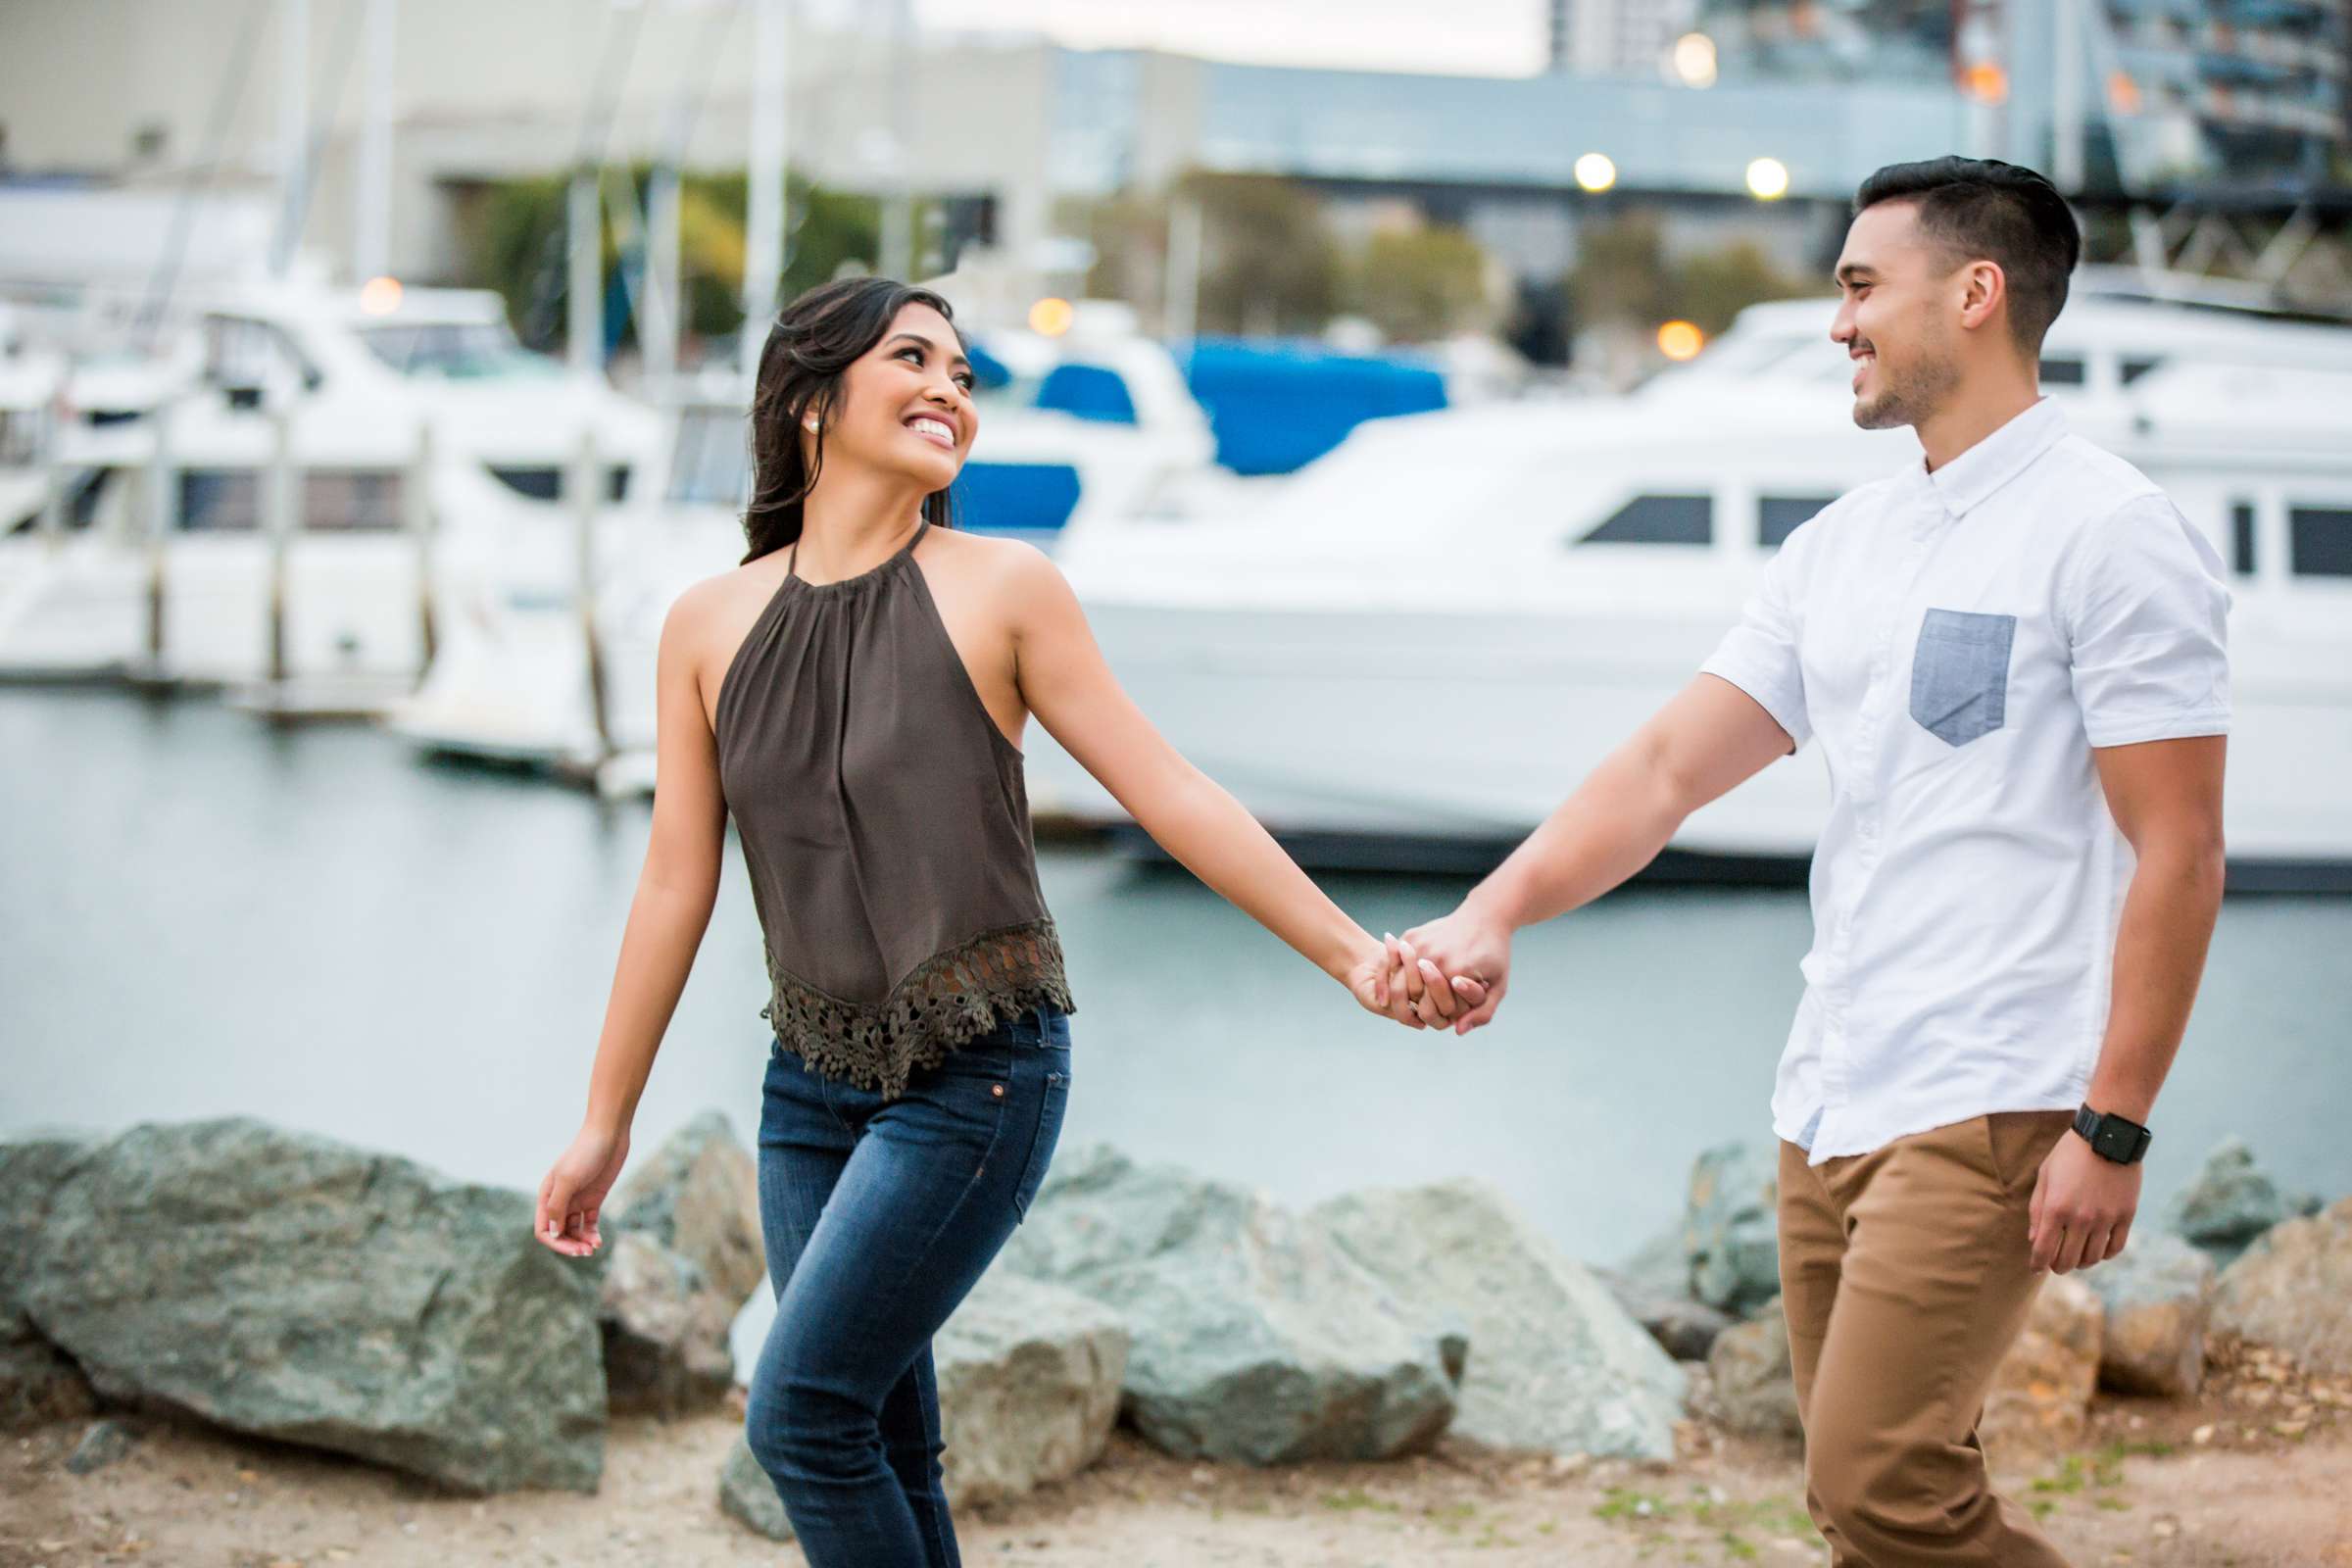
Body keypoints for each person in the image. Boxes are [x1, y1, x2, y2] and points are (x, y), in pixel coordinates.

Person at [530, 275, 1470, 1567]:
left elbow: (1171, 791)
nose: (951, 392)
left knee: (800, 1419)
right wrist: (604, 1123)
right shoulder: (706, 623)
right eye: (915, 359)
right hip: (808, 1090)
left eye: (965, 376)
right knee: (876, 1436)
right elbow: (674, 886)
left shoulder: (1004, 588)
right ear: (812, 401)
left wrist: (1355, 955)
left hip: (978, 1080)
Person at [1386, 157, 2230, 1564]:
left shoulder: (2113, 535)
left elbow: (2181, 850)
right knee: (1864, 1503)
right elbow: (1666, 771)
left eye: (1857, 286)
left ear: (1975, 294)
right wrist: (1496, 912)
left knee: (1889, 1490)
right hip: (1832, 1089)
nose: (1836, 323)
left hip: (1996, 1091)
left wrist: (2115, 1123)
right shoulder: (1842, 545)